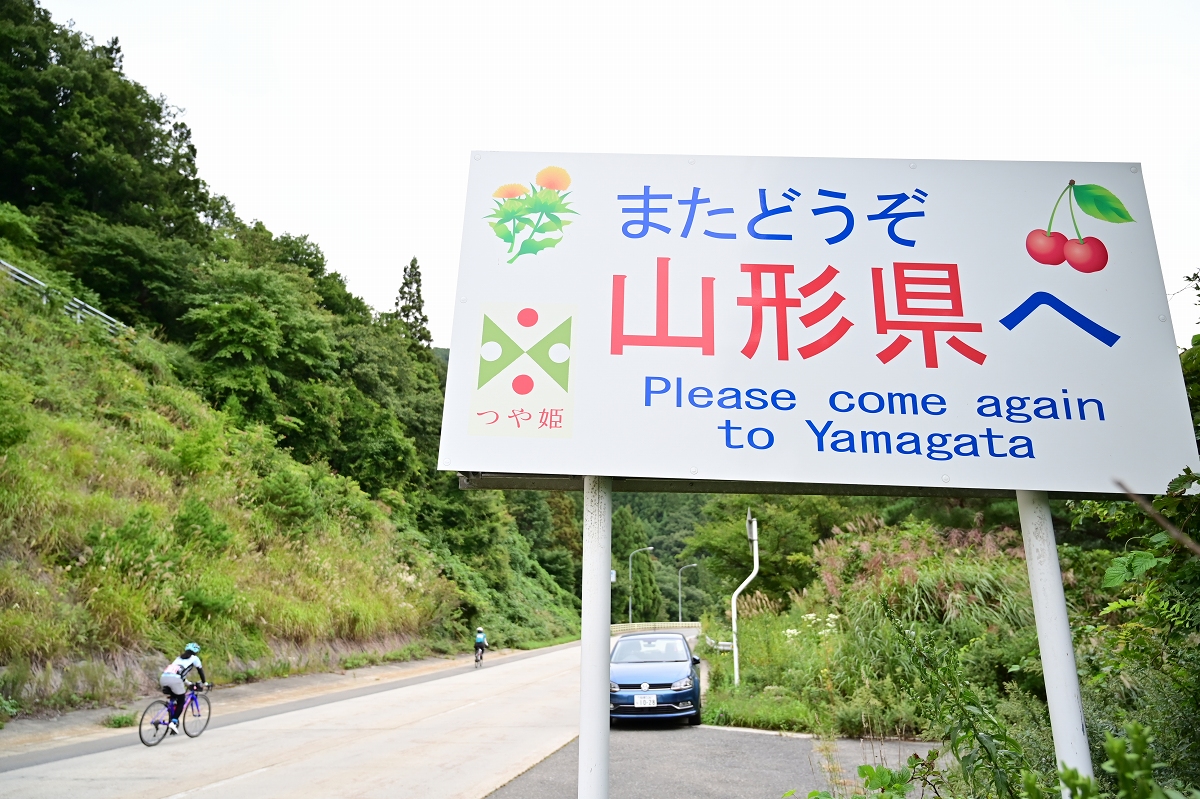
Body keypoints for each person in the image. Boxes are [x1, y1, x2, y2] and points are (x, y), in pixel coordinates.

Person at [160, 642, 209, 735]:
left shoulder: (178, 658)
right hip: (175, 680)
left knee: (175, 698)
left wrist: (188, 683)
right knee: (181, 701)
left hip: (163, 678)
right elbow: (200, 671)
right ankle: (173, 722)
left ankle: (172, 721)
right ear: (196, 652)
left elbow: (178, 674)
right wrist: (204, 683)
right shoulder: (195, 658)